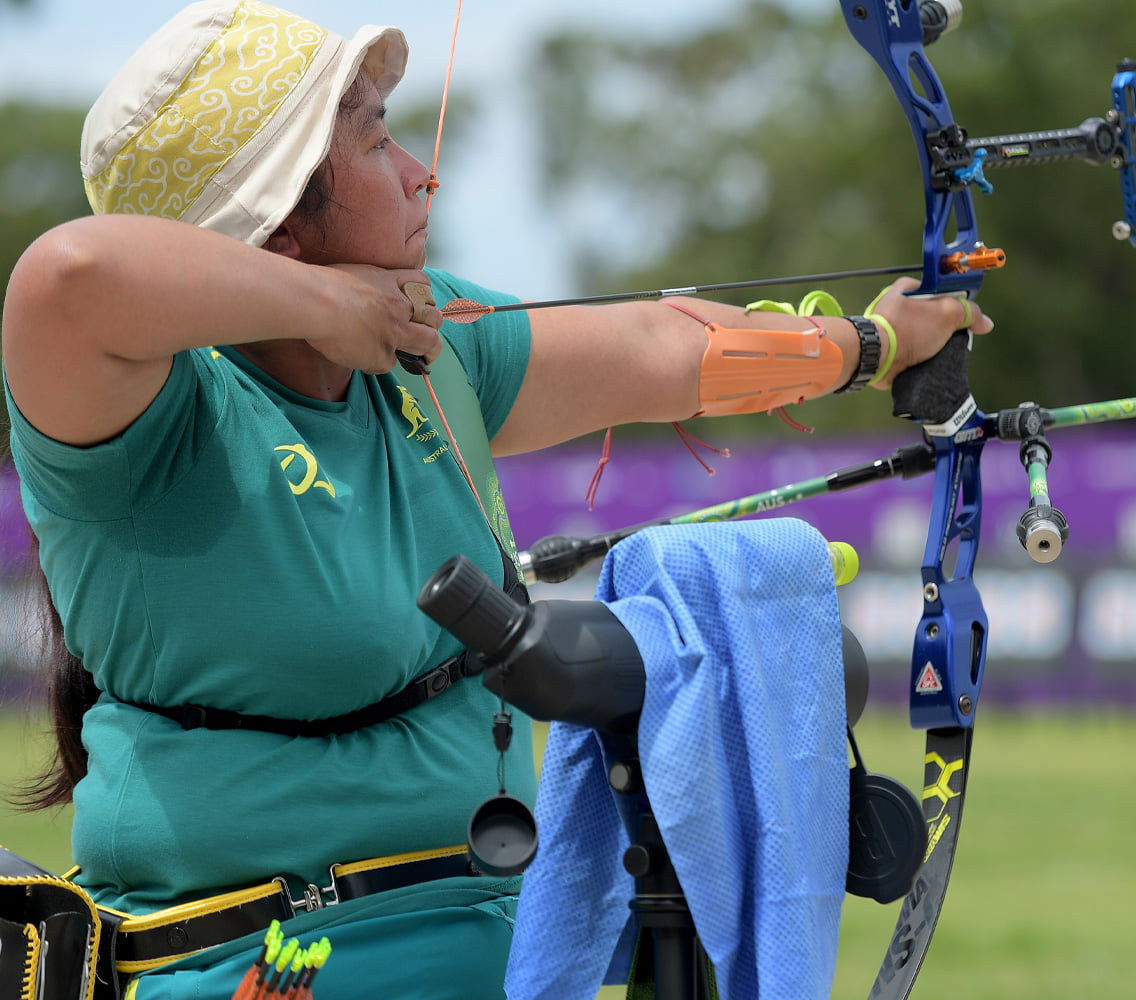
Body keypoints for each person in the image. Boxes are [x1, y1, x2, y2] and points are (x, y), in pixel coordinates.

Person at [0, 1, 988, 997]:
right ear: (279, 222)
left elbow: (659, 349)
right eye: (378, 140)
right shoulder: (153, 415)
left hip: (494, 940)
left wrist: (872, 344)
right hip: (256, 963)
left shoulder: (429, 353)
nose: (419, 171)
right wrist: (324, 305)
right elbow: (68, 275)